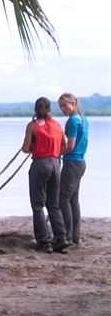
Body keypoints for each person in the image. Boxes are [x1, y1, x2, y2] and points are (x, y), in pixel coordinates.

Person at [21, 97, 70, 253]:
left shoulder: (32, 126)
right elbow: (66, 145)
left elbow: (25, 148)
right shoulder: (57, 125)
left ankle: (44, 242)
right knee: (53, 204)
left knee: (37, 205)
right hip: (56, 164)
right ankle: (61, 238)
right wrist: (54, 154)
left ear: (36, 110)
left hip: (40, 164)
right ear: (49, 109)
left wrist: (37, 147)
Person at [58, 93, 89, 247]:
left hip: (72, 163)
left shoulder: (73, 120)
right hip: (80, 163)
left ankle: (68, 237)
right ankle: (75, 237)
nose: (62, 109)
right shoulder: (84, 119)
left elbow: (69, 147)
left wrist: (56, 153)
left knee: (63, 199)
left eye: (64, 105)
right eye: (60, 106)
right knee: (73, 200)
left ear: (74, 103)